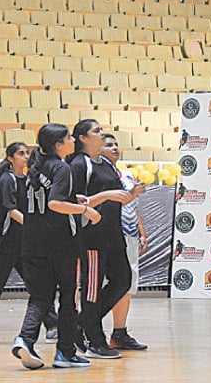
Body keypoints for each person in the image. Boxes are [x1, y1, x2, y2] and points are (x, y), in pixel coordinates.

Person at [12, 124, 95, 370]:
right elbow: (55, 203)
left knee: (40, 297)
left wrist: (73, 199)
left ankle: (25, 339)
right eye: (69, 138)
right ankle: (65, 354)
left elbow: (46, 197)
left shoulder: (35, 167)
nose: (72, 141)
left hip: (31, 241)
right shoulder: (62, 168)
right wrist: (84, 209)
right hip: (59, 243)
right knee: (68, 298)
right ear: (58, 144)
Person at [0, 142, 58, 345]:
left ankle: (52, 326)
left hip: (25, 242)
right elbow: (12, 211)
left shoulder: (27, 180)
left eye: (27, 153)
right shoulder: (7, 179)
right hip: (8, 241)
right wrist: (34, 227)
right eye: (21, 153)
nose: (25, 156)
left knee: (38, 284)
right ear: (10, 158)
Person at [68, 119, 134, 359]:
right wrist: (105, 195)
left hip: (114, 234)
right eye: (96, 131)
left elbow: (115, 194)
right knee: (92, 289)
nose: (102, 133)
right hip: (91, 236)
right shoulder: (77, 164)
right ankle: (95, 339)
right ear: (83, 138)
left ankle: (83, 322)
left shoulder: (106, 163)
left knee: (123, 280)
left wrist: (129, 194)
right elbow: (73, 202)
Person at [100, 134, 148, 351]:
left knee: (126, 285)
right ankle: (86, 325)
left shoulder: (127, 175)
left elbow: (133, 206)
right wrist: (130, 193)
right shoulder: (98, 174)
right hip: (107, 235)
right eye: (109, 145)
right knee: (101, 284)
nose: (115, 148)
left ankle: (119, 332)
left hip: (129, 235)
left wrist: (141, 232)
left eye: (116, 144)